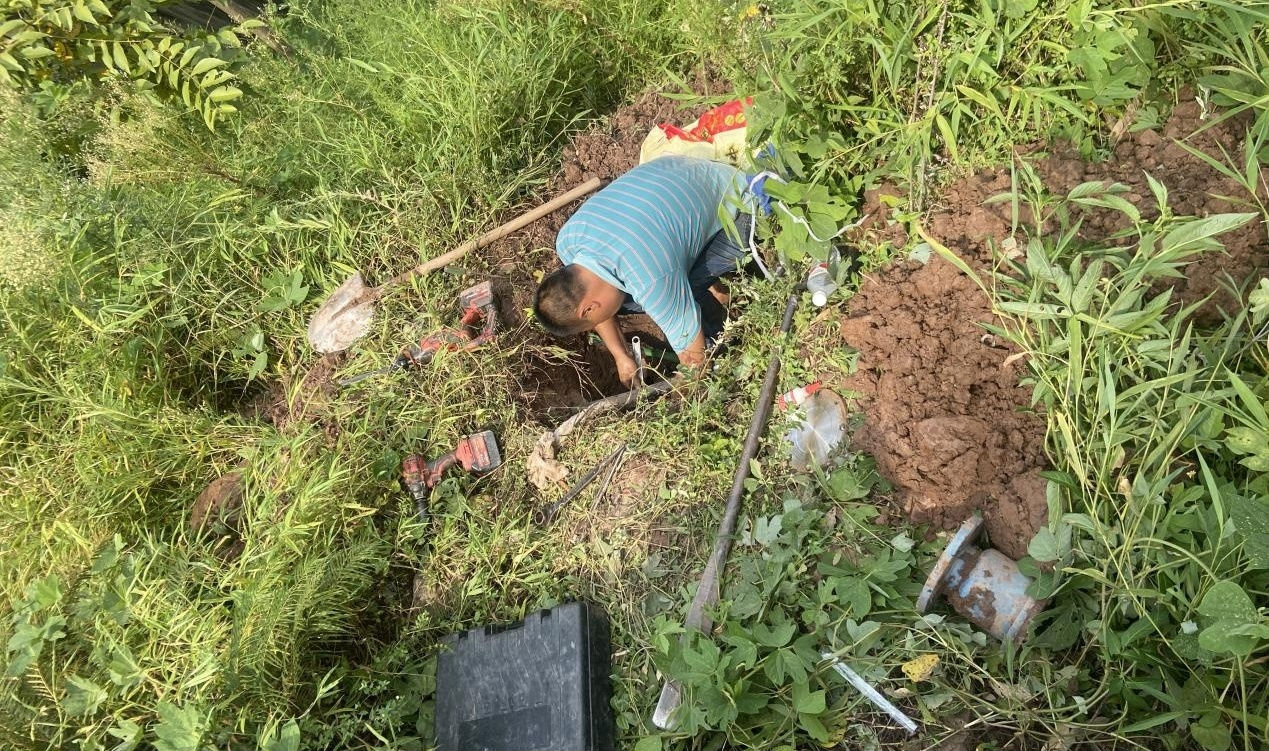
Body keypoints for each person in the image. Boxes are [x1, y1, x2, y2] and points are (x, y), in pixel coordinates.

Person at [532, 155, 752, 387]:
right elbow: (596, 307)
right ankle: (713, 293)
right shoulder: (568, 240)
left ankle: (721, 336)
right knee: (628, 299)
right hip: (683, 169)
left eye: (593, 319)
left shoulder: (650, 280)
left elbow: (695, 364)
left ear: (588, 308)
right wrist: (620, 355)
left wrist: (680, 389)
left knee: (658, 299)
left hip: (741, 205)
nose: (602, 320)